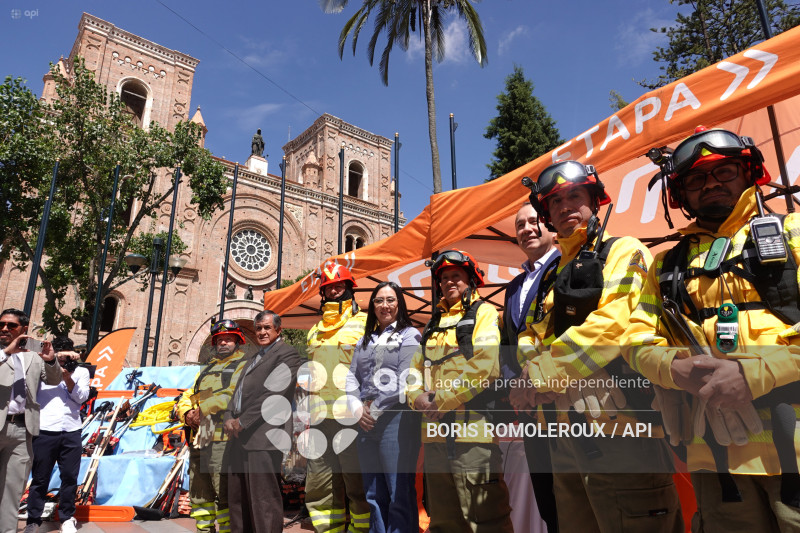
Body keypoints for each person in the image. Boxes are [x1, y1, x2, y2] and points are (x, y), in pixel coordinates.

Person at [626, 127, 800, 531]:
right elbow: (635, 343)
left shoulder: (793, 233)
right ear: (680, 194)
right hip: (714, 462)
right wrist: (674, 368)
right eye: (697, 179)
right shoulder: (665, 265)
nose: (711, 185)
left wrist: (754, 373)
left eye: (724, 172)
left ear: (749, 173)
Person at [516, 161, 683, 533]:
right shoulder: (553, 274)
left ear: (595, 200)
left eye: (574, 196)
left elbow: (615, 323)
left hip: (620, 429)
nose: (564, 207)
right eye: (554, 202)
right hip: (563, 434)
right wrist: (531, 373)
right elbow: (531, 333)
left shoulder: (625, 251)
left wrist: (542, 373)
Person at [407, 250, 514, 533]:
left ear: (471, 281)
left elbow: (487, 365)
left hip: (473, 434)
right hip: (433, 435)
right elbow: (413, 371)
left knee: (486, 520)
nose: (449, 282)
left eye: (456, 276)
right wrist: (416, 398)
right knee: (443, 521)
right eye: (443, 278)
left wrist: (440, 400)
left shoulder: (484, 313)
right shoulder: (432, 324)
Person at [503, 202, 560, 533]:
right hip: (530, 413)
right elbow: (509, 346)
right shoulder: (513, 287)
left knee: (575, 502)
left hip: (562, 402)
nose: (527, 228)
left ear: (550, 226)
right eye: (520, 224)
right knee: (547, 500)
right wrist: (516, 389)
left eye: (535, 221)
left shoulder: (567, 266)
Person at [348, 281, 421, 533]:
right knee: (372, 493)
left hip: (396, 419)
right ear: (372, 306)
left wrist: (374, 409)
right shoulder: (365, 340)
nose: (384, 305)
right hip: (366, 422)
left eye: (390, 300)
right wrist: (356, 408)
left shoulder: (410, 335)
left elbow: (406, 377)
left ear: (399, 304)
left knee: (397, 491)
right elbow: (351, 377)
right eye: (379, 300)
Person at [223, 310, 303, 533]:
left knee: (263, 501)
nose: (262, 332)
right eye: (258, 328)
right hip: (239, 439)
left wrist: (243, 421)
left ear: (279, 329)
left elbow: (273, 393)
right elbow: (237, 393)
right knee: (239, 501)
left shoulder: (287, 354)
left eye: (267, 327)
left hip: (263, 437)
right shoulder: (253, 358)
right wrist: (229, 417)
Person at [305, 262, 370, 533]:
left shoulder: (365, 323)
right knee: (320, 483)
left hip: (350, 418)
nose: (333, 290)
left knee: (356, 484)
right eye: (328, 287)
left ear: (349, 288)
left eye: (338, 285)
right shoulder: (314, 330)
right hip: (319, 417)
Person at [176, 319, 248, 533]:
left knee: (224, 492)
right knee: (200, 492)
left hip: (223, 439)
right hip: (200, 436)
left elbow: (234, 394)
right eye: (220, 340)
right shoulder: (206, 369)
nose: (223, 343)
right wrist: (186, 414)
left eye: (228, 339)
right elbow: (189, 394)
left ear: (238, 342)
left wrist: (204, 408)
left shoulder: (243, 367)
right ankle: (204, 529)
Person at [0, 308, 61, 533]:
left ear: (23, 329)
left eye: (11, 326)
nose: (5, 329)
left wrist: (51, 359)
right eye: (1, 325)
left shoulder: (32, 355)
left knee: (12, 487)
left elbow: (54, 380)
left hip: (22, 428)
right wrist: (7, 351)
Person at [24, 335, 90, 533]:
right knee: (40, 477)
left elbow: (81, 398)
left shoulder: (81, 372)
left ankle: (67, 517)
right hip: (45, 428)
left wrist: (67, 377)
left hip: (71, 429)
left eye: (66, 358)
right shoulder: (39, 369)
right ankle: (33, 519)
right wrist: (51, 363)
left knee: (70, 476)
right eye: (59, 357)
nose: (62, 362)